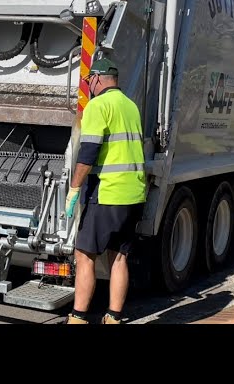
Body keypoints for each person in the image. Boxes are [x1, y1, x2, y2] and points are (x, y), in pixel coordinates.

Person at [65, 57, 146, 324]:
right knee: (119, 257)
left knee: (84, 255)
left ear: (97, 79)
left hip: (108, 193)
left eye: (89, 81)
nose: (89, 87)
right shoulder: (131, 106)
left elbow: (88, 152)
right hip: (133, 193)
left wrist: (74, 187)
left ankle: (78, 317)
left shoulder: (98, 106)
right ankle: (114, 317)